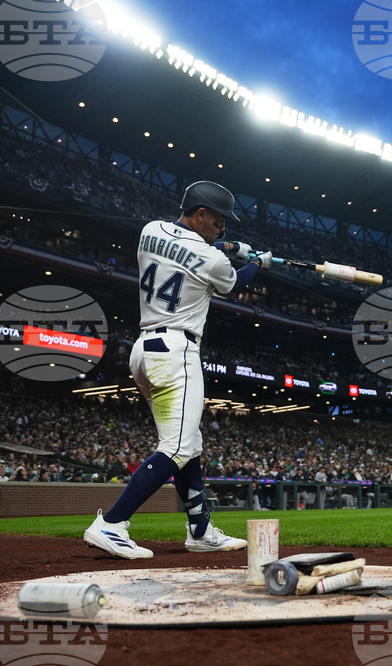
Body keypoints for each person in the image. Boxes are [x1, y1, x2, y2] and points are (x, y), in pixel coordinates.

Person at [84, 180, 273, 559]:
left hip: (144, 351)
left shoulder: (150, 230)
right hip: (176, 353)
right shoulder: (214, 260)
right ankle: (111, 524)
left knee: (190, 445)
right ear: (201, 214)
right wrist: (256, 262)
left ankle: (200, 530)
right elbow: (234, 282)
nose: (222, 229)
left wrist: (229, 246)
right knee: (178, 446)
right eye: (219, 222)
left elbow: (194, 247)